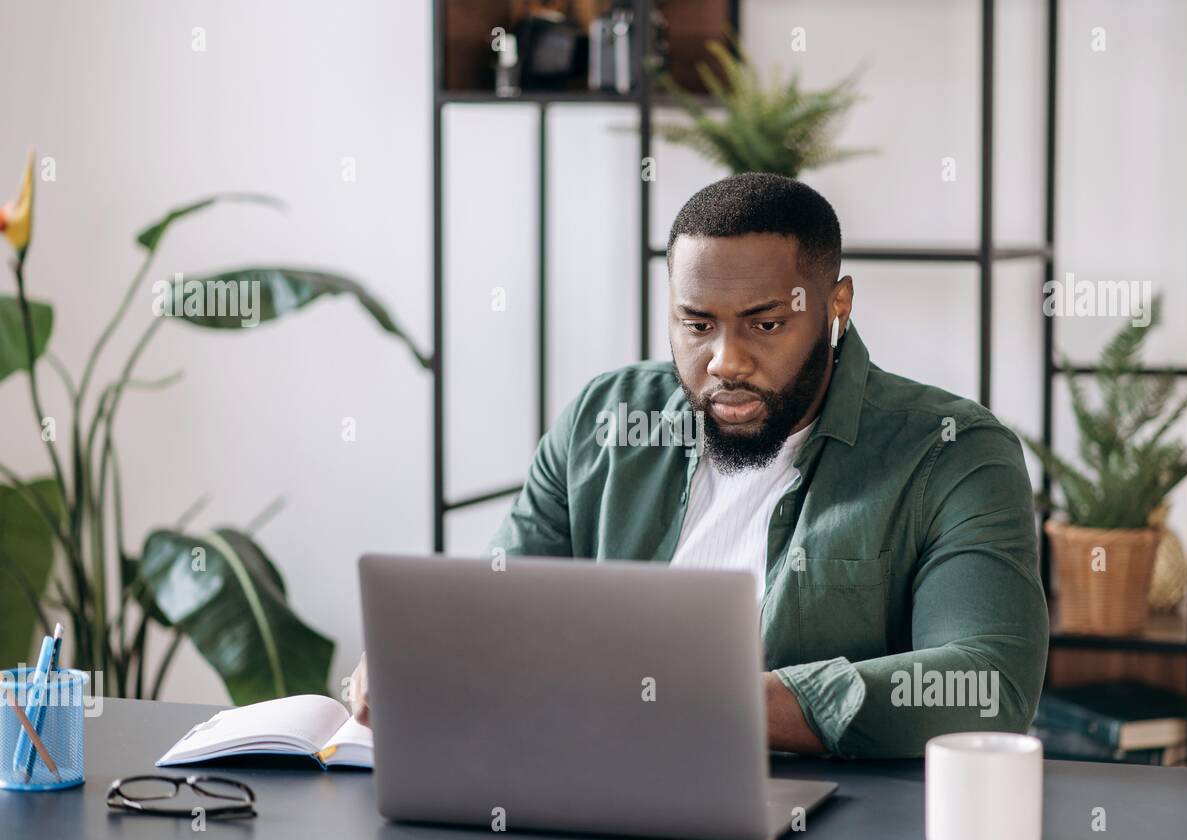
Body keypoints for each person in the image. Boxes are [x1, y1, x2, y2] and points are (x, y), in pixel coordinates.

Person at [350, 171, 1048, 758]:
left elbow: (987, 683)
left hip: (820, 819)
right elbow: (499, 601)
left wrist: (703, 701)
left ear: (836, 307)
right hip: (579, 786)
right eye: (697, 324)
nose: (725, 361)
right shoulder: (607, 420)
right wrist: (421, 653)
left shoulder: (953, 451)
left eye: (765, 324)